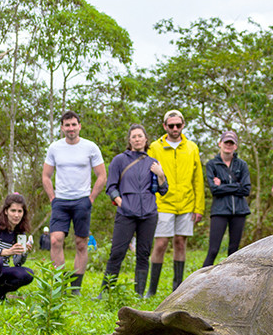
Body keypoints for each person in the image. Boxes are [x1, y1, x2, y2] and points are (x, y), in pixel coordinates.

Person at [97, 124, 169, 298]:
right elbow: (111, 187)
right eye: (134, 136)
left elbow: (163, 190)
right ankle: (105, 293)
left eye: (140, 136)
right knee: (117, 252)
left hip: (149, 214)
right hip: (126, 213)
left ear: (146, 139)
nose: (137, 139)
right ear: (129, 140)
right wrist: (121, 202)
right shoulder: (119, 160)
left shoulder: (153, 162)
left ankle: (139, 294)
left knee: (143, 254)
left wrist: (160, 174)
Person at [41, 110, 106, 295]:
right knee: (55, 240)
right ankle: (59, 285)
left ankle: (75, 288)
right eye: (67, 125)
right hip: (60, 201)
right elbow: (46, 176)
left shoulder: (90, 147)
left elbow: (102, 176)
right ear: (62, 128)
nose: (71, 128)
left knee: (81, 243)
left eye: (74, 124)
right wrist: (52, 198)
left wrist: (91, 198)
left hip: (82, 201)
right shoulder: (55, 148)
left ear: (79, 126)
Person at [146, 109, 204, 297]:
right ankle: (152, 290)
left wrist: (199, 207)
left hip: (186, 203)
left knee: (180, 243)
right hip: (162, 202)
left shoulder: (192, 147)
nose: (175, 128)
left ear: (183, 125)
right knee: (161, 244)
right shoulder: (154, 147)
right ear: (165, 126)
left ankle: (177, 289)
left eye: (178, 125)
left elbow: (198, 179)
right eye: (171, 125)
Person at [202, 131, 251, 267]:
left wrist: (223, 185)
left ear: (235, 146)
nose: (228, 145)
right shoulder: (212, 164)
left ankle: (232, 283)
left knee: (234, 251)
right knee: (213, 250)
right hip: (220, 210)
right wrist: (237, 186)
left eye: (231, 143)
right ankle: (199, 281)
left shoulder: (242, 165)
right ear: (220, 144)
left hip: (239, 211)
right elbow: (214, 190)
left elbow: (246, 189)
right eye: (226, 142)